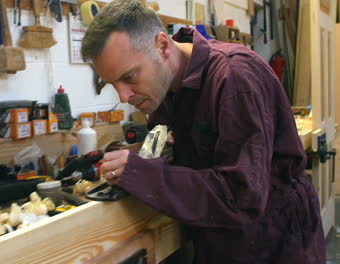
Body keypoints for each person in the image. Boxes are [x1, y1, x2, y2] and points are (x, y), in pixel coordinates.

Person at [81, 0, 326, 263]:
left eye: (129, 77)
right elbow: (166, 141)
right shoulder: (164, 86)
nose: (123, 96)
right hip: (220, 239)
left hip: (274, 242)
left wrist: (142, 174)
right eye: (112, 84)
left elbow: (241, 196)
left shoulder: (234, 77)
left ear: (162, 46)